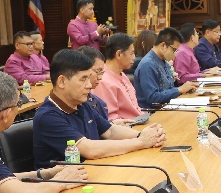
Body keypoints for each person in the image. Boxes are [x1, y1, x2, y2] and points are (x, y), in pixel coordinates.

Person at [33, 49, 166, 170]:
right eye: (83, 79)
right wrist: (141, 142)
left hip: (92, 172)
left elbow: (110, 131)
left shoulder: (81, 103)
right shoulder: (48, 116)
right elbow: (90, 149)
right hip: (63, 183)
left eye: (89, 78)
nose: (89, 85)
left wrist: (144, 135)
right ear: (62, 81)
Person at [134, 27, 199, 108]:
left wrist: (185, 89)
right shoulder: (148, 64)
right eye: (174, 50)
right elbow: (152, 98)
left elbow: (168, 89)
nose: (176, 54)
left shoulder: (163, 61)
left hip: (166, 106)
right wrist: (179, 90)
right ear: (163, 45)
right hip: (153, 112)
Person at [96, 33, 144, 121]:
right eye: (132, 53)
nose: (134, 57)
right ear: (119, 54)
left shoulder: (122, 74)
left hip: (139, 120)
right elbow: (111, 119)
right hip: (127, 126)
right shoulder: (103, 80)